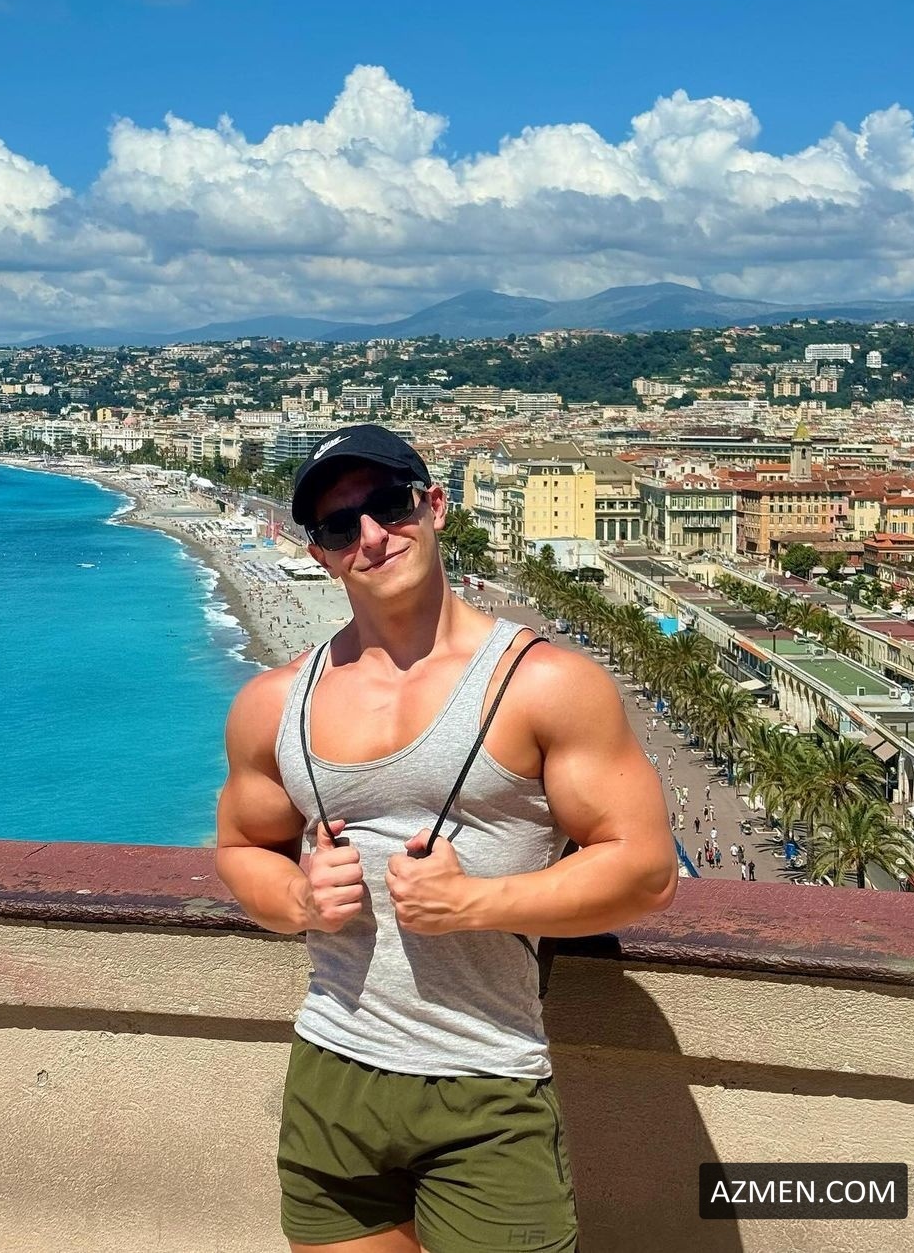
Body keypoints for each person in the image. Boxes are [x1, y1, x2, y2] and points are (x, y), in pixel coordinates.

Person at [215, 424, 678, 1253]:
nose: (370, 535)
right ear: (320, 553)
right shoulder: (273, 703)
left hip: (486, 1081)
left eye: (388, 505)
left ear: (433, 506)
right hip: (332, 1072)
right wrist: (298, 898)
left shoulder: (544, 684)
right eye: (339, 525)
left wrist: (474, 902)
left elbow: (646, 870)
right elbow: (243, 847)